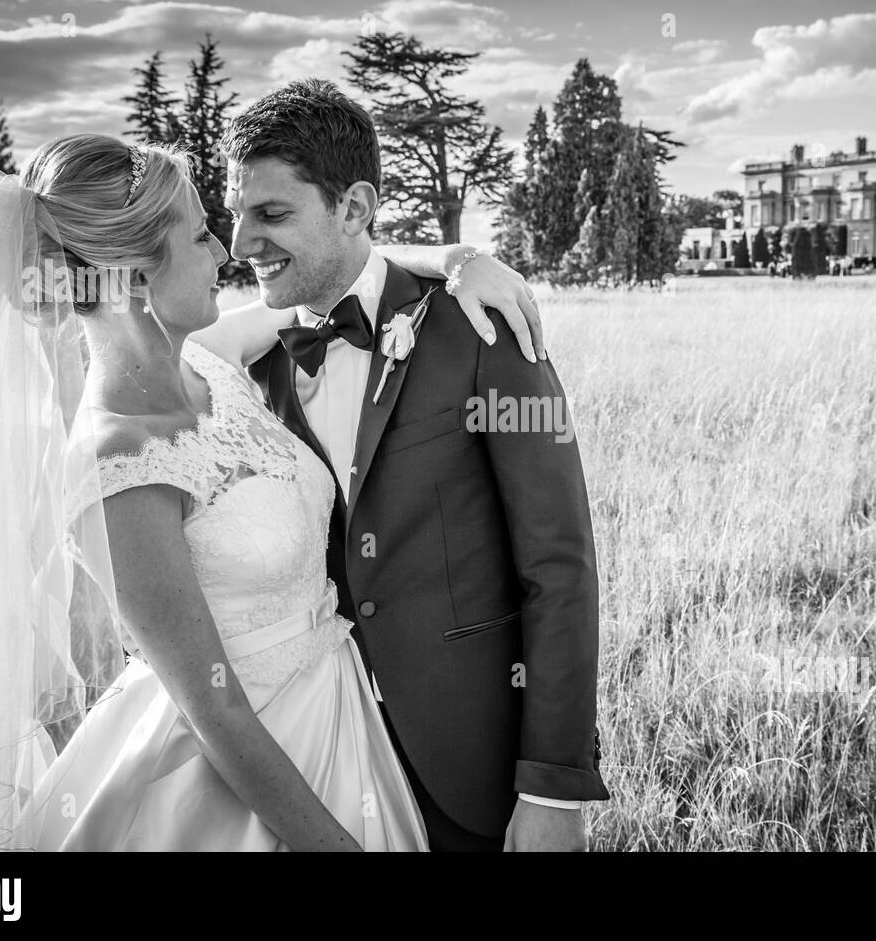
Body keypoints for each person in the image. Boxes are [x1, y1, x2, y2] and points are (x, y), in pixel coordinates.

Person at [0, 134, 541, 851]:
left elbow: (336, 279)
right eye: (199, 234)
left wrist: (459, 261)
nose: (227, 251)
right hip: (242, 780)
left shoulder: (210, 361)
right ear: (132, 278)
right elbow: (215, 714)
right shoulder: (116, 466)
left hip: (343, 717)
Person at [223, 79, 609, 852]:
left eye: (270, 215)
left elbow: (559, 563)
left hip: (474, 768)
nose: (240, 243)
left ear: (356, 208)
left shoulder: (478, 326)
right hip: (318, 762)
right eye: (233, 215)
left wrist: (551, 787)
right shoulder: (246, 366)